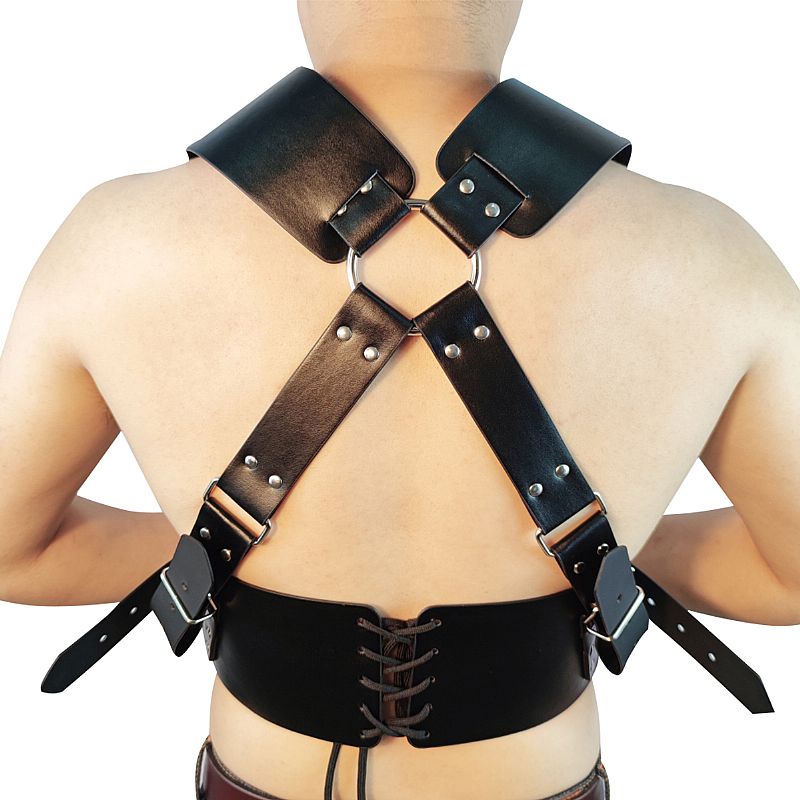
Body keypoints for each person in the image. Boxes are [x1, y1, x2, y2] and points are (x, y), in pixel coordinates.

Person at [0, 1, 798, 798]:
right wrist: (602, 554)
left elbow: (15, 552)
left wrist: (225, 554)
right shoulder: (710, 251)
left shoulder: (115, 238)